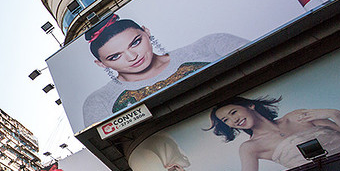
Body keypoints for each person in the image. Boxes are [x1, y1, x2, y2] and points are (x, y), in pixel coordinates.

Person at [81, 14, 247, 127]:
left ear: (147, 32)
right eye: (115, 56)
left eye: (135, 43)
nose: (132, 56)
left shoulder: (209, 46)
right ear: (101, 64)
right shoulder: (99, 101)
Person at [168, 96, 340, 171]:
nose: (233, 120)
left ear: (250, 105)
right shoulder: (251, 147)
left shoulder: (297, 116)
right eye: (226, 120)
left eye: (233, 112)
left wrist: (335, 115)